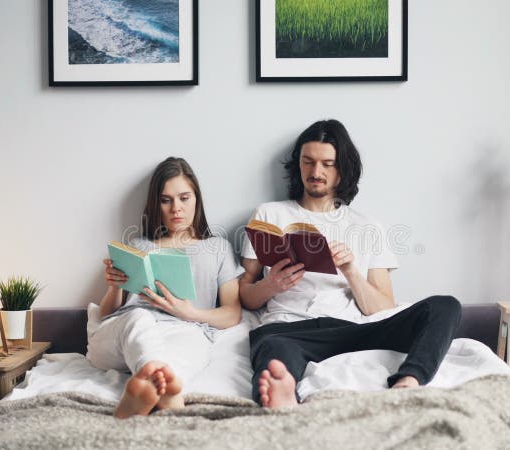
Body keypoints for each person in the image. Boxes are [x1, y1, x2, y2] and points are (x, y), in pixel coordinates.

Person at [239, 119, 462, 408]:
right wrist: (270, 285)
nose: (315, 172)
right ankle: (282, 399)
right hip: (288, 329)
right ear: (298, 165)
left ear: (342, 169)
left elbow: (381, 308)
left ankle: (408, 381)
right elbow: (245, 294)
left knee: (445, 306)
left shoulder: (367, 226)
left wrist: (351, 272)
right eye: (308, 162)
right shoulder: (270, 214)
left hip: (352, 329)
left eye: (327, 164)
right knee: (273, 348)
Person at [87, 157, 244, 418]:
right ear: (156, 204)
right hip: (124, 333)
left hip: (186, 330)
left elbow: (232, 314)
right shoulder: (139, 246)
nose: (176, 209)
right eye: (166, 200)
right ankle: (158, 385)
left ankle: (151, 391)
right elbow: (105, 317)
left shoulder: (217, 248)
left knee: (179, 360)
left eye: (184, 198)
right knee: (138, 317)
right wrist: (115, 286)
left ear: (197, 199)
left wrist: (189, 313)